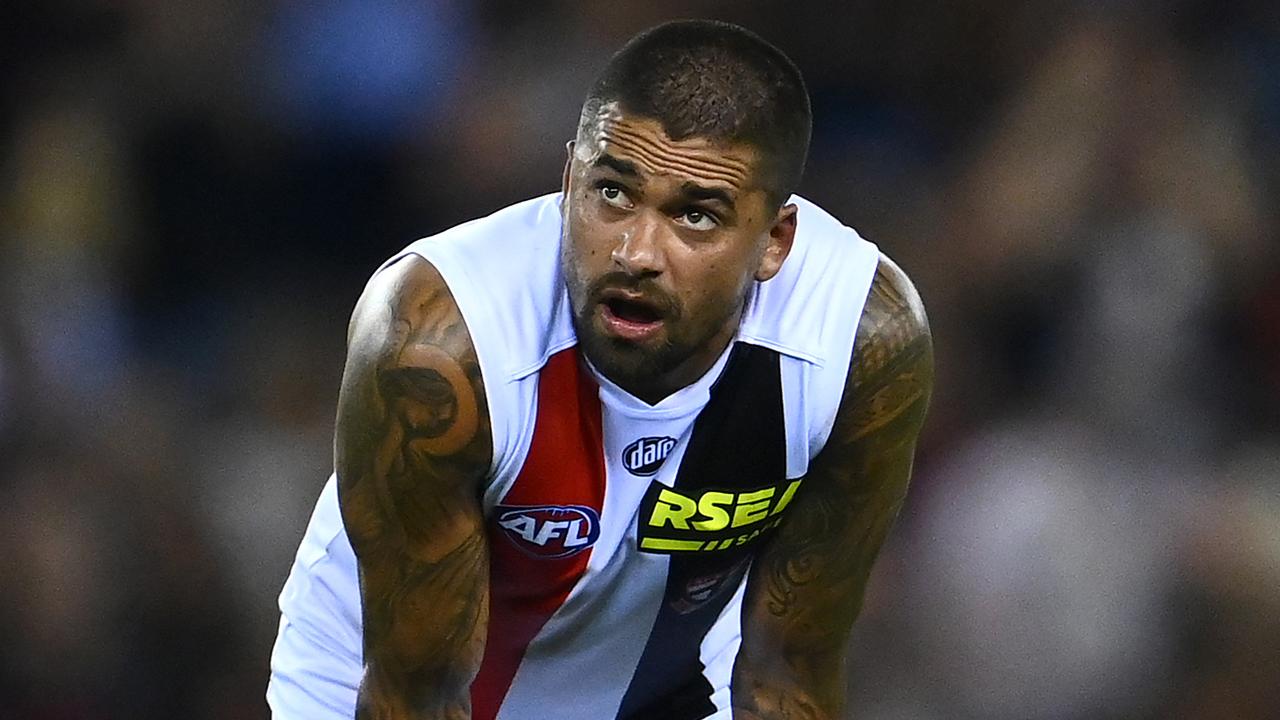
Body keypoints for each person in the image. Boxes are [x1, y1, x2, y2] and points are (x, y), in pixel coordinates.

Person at [268, 19, 933, 720]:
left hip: (671, 688)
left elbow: (788, 671)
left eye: (696, 217)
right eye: (612, 193)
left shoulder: (860, 346)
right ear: (567, 180)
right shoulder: (440, 344)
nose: (637, 253)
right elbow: (416, 693)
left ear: (775, 242)